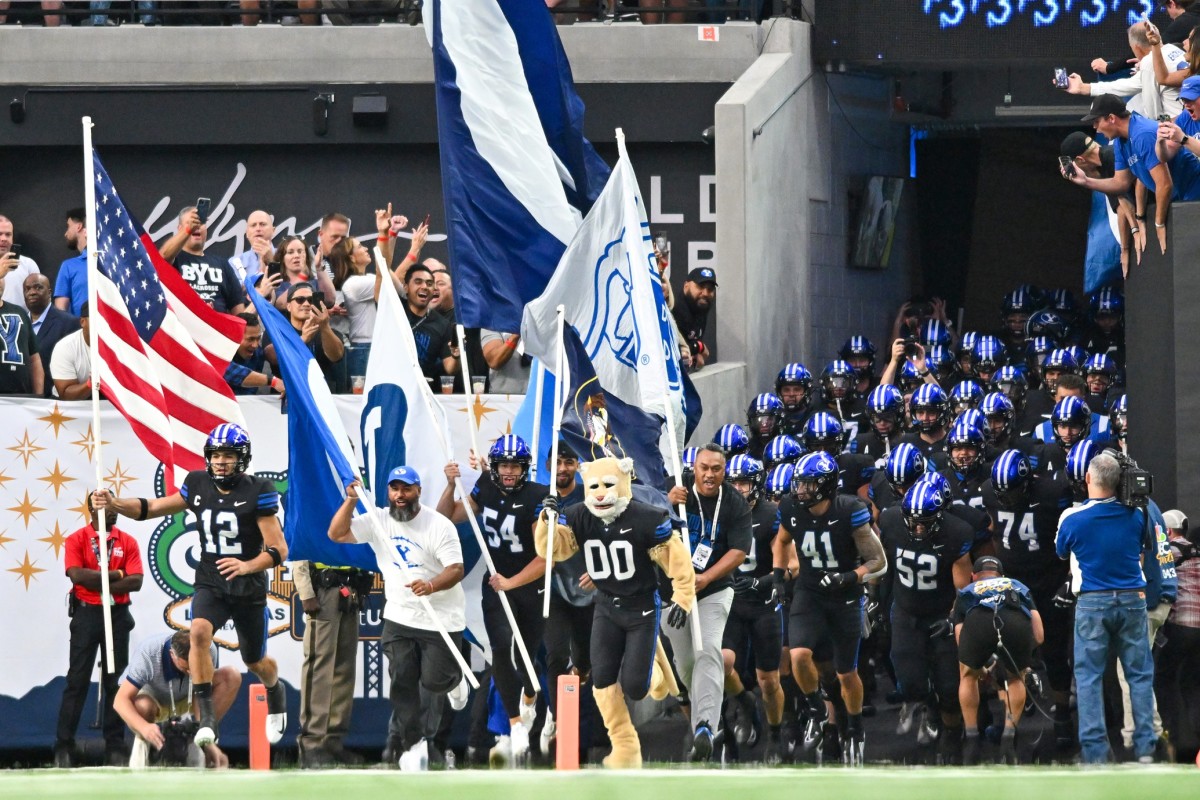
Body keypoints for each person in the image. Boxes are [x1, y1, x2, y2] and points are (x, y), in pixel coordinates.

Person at [92, 423, 289, 750]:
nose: (222, 462)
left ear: (242, 459)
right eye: (216, 455)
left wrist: (247, 565)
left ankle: (275, 689)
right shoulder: (197, 483)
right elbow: (153, 508)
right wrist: (114, 504)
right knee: (198, 632)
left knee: (255, 661)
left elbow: (278, 549)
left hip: (248, 584)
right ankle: (207, 718)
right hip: (211, 577)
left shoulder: (258, 490)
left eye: (228, 455)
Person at [537, 455, 693, 769]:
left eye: (607, 485)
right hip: (606, 607)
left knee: (636, 687)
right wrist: (547, 521)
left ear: (623, 482)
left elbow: (675, 559)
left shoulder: (647, 517)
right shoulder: (580, 515)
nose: (599, 493)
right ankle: (625, 746)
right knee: (602, 682)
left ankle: (655, 667)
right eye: (593, 485)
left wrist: (683, 598)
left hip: (642, 609)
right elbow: (551, 550)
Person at [329, 469, 469, 773]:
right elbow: (337, 534)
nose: (400, 496)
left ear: (418, 490)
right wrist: (351, 500)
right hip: (400, 615)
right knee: (402, 679)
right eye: (394, 489)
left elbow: (456, 569)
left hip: (441, 617)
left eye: (406, 489)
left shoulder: (438, 525)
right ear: (388, 492)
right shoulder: (378, 520)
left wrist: (431, 585)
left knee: (433, 681)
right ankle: (413, 745)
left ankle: (455, 680)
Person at [438, 435, 548, 765]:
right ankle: (515, 724)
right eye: (504, 465)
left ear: (524, 468)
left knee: (527, 660)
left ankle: (529, 693)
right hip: (497, 587)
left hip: (530, 585)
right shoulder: (485, 485)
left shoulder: (538, 496)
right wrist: (450, 485)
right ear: (496, 467)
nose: (510, 471)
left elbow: (545, 557)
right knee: (500, 648)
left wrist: (512, 581)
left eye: (515, 465)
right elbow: (447, 517)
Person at [771, 451, 887, 766]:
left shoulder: (849, 511)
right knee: (798, 655)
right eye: (800, 483)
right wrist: (779, 576)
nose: (802, 490)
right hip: (809, 591)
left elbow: (879, 562)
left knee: (846, 672)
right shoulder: (791, 507)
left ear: (826, 485)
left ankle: (855, 727)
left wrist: (850, 577)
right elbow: (781, 541)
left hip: (844, 597)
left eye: (809, 484)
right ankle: (817, 708)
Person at [1054, 452, 1157, 764]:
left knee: (1088, 678)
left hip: (1093, 602)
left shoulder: (1072, 518)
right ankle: (1145, 749)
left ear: (1088, 479)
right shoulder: (1139, 514)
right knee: (1139, 675)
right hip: (1132, 598)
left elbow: (1062, 551)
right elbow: (1143, 547)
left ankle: (1096, 754)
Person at [980, 449, 1075, 748]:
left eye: (1013, 491)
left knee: (1055, 654)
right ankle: (1011, 720)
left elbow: (1069, 532)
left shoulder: (1054, 492)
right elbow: (992, 530)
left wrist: (1069, 578)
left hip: (1049, 581)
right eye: (1001, 493)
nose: (1006, 498)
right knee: (1005, 653)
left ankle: (1062, 715)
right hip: (1012, 583)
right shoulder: (989, 491)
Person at [665, 443, 752, 762]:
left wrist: (706, 578)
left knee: (709, 650)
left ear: (724, 471)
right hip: (673, 592)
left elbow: (739, 551)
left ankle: (704, 726)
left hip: (713, 589)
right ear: (695, 468)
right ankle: (710, 716)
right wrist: (666, 503)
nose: (710, 474)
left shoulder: (734, 502)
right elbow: (644, 522)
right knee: (685, 665)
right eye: (704, 468)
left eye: (716, 469)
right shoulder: (676, 488)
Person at [878, 476, 974, 764]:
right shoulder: (891, 521)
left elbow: (963, 588)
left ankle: (952, 735)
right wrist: (877, 602)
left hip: (940, 614)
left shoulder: (956, 533)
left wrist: (953, 617)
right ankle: (929, 709)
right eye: (914, 521)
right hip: (906, 612)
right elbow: (883, 564)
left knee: (948, 686)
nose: (919, 527)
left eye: (926, 522)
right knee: (910, 685)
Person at [54, 494, 144, 768]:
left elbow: (136, 581)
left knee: (116, 682)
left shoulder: (127, 541)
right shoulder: (77, 539)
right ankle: (64, 747)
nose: (111, 512)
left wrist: (105, 581)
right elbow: (77, 575)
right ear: (91, 509)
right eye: (104, 507)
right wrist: (116, 575)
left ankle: (115, 746)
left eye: (113, 507)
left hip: (117, 614)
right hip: (86, 614)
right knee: (77, 681)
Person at [1066, 94, 1200, 254]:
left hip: (1194, 192)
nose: (1095, 127)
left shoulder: (1142, 134)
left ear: (1111, 118)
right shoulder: (1120, 142)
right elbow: (1120, 183)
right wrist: (1085, 181)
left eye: (1097, 121)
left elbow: (1164, 185)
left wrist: (1159, 224)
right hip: (1182, 199)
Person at [721, 454, 786, 764]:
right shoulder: (719, 512)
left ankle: (775, 734)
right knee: (722, 663)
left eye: (743, 483)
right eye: (732, 483)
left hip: (763, 604)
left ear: (757, 484)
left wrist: (765, 582)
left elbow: (791, 561)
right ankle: (745, 703)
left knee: (769, 680)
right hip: (730, 603)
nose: (737, 489)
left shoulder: (772, 514)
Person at [952, 555, 1044, 766]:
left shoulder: (966, 592)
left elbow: (960, 641)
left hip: (977, 623)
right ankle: (1008, 739)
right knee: (1016, 678)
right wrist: (1021, 662)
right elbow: (1039, 635)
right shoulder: (1017, 585)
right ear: (1002, 576)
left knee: (967, 677)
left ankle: (972, 740)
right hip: (1015, 623)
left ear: (973, 576)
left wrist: (980, 669)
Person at [113, 630, 240, 769]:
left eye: (195, 666)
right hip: (153, 699)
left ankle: (198, 740)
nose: (192, 673)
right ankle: (142, 744)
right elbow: (119, 700)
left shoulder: (208, 650)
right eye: (186, 668)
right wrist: (144, 728)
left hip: (188, 696)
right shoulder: (148, 653)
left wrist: (205, 733)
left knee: (231, 676)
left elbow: (202, 693)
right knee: (143, 706)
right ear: (172, 654)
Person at [291, 554, 373, 768]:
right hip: (324, 589)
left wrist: (364, 574)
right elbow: (300, 548)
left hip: (350, 587)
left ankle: (332, 742)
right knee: (319, 666)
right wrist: (305, 590)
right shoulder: (315, 517)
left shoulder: (356, 517)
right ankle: (311, 744)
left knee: (344, 668)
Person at [537, 441, 592, 756]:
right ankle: (559, 720)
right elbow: (537, 547)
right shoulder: (541, 498)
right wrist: (545, 519)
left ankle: (575, 685)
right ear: (547, 466)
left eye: (569, 462)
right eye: (557, 462)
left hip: (588, 590)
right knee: (556, 656)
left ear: (578, 466)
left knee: (584, 663)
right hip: (555, 589)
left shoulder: (591, 495)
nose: (562, 468)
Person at [158, 205, 246, 314]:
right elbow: (163, 257)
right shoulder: (175, 258)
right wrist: (188, 230)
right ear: (180, 229)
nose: (197, 226)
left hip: (216, 327)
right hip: (184, 325)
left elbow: (238, 311)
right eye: (192, 222)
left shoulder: (222, 264)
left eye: (201, 222)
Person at [274, 283, 344, 393]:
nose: (306, 304)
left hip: (322, 394)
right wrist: (302, 340)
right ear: (288, 306)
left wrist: (324, 326)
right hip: (291, 393)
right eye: (300, 299)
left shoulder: (329, 332)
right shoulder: (278, 333)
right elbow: (274, 357)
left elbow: (336, 356)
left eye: (311, 300)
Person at [401, 263, 457, 385]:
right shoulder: (395, 310)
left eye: (429, 283)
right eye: (418, 282)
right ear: (406, 287)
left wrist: (456, 355)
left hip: (424, 390)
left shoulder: (443, 324)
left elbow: (450, 368)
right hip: (394, 386)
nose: (425, 286)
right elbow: (382, 273)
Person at [25, 273, 79, 397]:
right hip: (23, 400)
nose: (32, 292)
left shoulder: (69, 323)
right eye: (27, 289)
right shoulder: (19, 322)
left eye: (38, 287)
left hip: (55, 402)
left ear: (49, 292)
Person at [0, 272, 45, 395]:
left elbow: (35, 359)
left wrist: (38, 397)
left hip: (21, 398)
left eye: (2, 277)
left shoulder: (19, 312)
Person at [224, 312, 284, 396]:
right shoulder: (220, 353)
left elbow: (250, 391)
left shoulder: (258, 354)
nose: (255, 345)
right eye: (250, 339)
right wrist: (273, 381)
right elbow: (235, 375)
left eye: (258, 339)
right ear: (235, 336)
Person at [672, 267, 717, 370]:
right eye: (700, 286)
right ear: (686, 286)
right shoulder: (674, 308)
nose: (705, 293)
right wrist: (699, 346)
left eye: (710, 289)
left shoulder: (700, 307)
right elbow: (673, 350)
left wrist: (697, 351)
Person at [50, 301, 93, 401]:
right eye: (96, 319)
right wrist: (94, 382)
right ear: (83, 322)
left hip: (106, 402)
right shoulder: (65, 347)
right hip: (69, 406)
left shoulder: (118, 344)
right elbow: (65, 394)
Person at [0, 214, 41, 312]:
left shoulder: (28, 264)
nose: (4, 239)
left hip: (21, 324)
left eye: (8, 234)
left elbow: (40, 299)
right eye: (0, 234)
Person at [54, 207, 89, 315]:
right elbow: (60, 313)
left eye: (68, 226)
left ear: (79, 226)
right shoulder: (68, 267)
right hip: (81, 330)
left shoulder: (110, 263)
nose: (65, 234)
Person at [228, 209, 275, 283]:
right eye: (253, 225)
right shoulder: (235, 262)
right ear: (247, 233)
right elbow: (237, 291)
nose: (258, 229)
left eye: (262, 224)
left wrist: (271, 261)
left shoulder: (287, 257)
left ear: (273, 231)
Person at [480, 330, 531, 395]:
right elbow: (494, 361)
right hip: (504, 398)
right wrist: (517, 333)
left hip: (541, 396)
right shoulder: (493, 322)